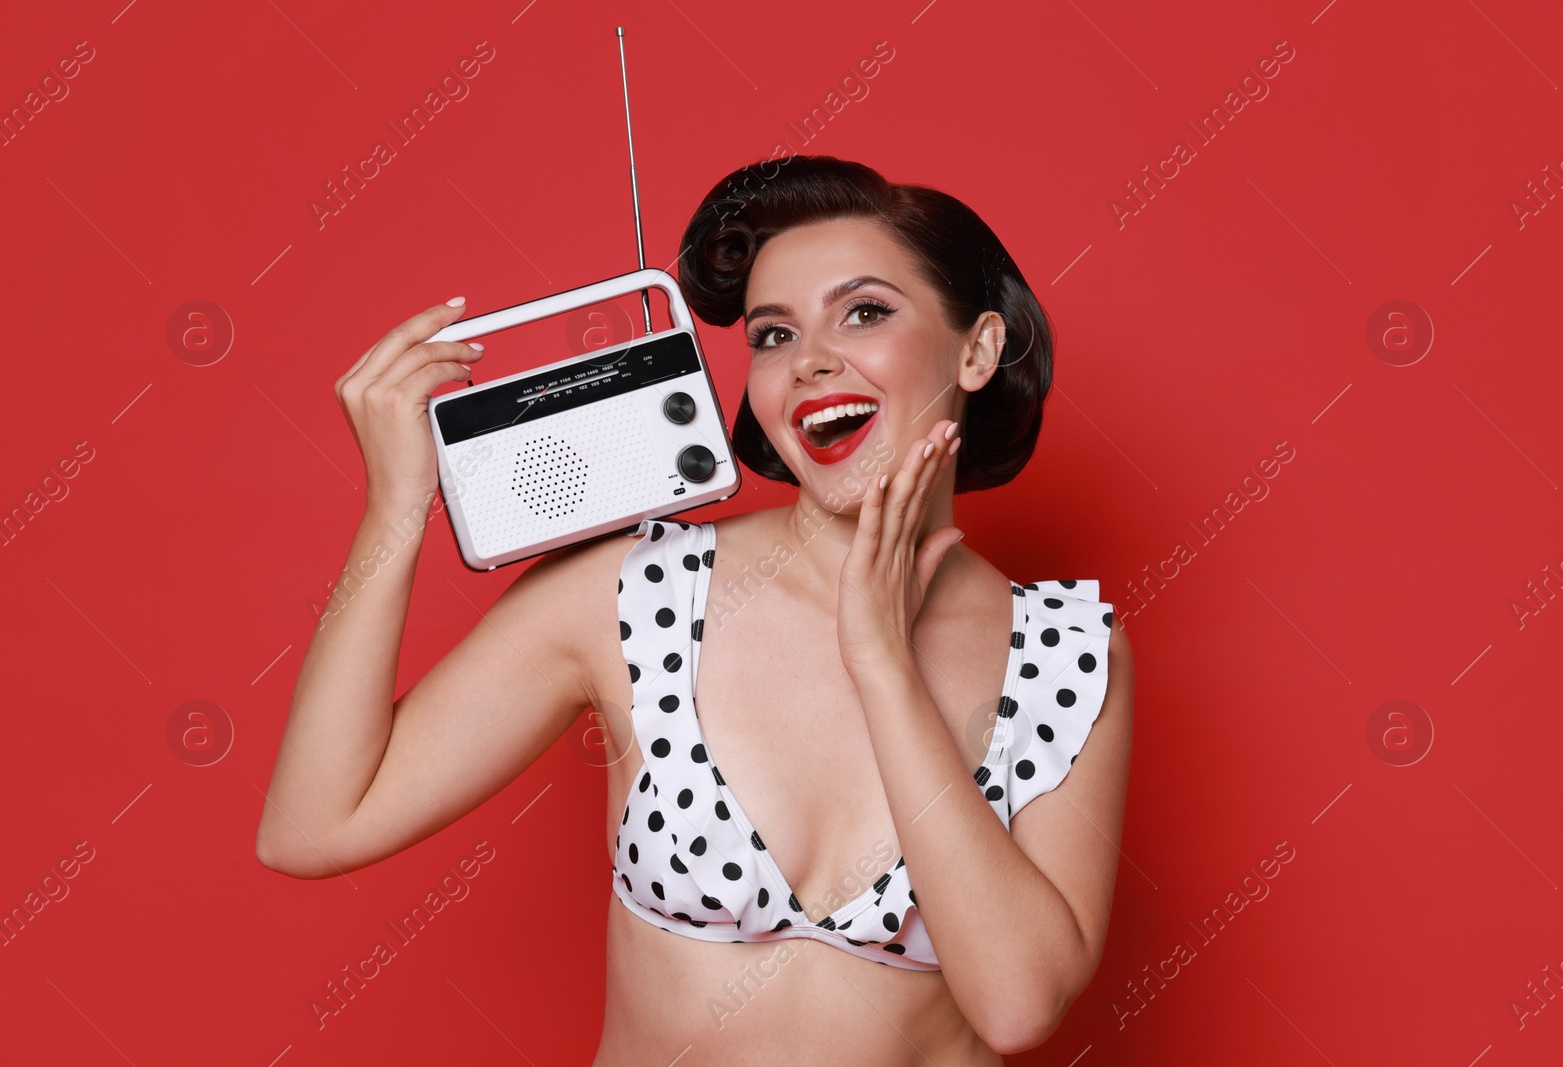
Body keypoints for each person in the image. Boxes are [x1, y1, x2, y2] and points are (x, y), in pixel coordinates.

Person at [256, 155, 1133, 1064]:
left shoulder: (1067, 650)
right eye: (772, 335)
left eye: (864, 312)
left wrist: (883, 664)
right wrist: (397, 508)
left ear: (978, 350)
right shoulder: (639, 592)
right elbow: (314, 825)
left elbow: (1019, 1005)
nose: (812, 362)